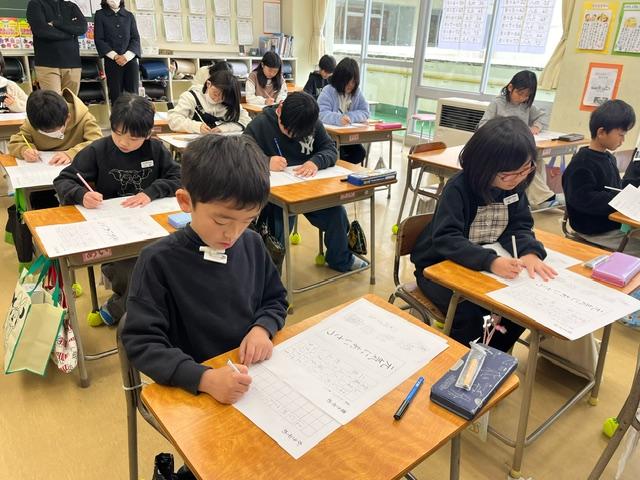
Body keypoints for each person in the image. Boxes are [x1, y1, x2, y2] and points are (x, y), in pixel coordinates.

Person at [122, 134, 287, 404]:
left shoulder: (252, 243)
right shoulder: (157, 262)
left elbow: (275, 298)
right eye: (221, 220)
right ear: (185, 201)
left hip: (249, 376)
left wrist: (262, 328)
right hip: (192, 386)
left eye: (247, 220)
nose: (233, 233)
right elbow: (143, 343)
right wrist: (204, 378)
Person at [411, 117, 557, 352]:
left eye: (525, 170)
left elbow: (518, 226)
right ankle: (462, 359)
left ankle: (489, 355)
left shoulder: (515, 187)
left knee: (517, 314)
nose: (518, 179)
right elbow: (446, 238)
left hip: (481, 269)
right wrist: (490, 261)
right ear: (483, 166)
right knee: (469, 316)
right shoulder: (458, 189)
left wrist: (529, 252)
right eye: (508, 174)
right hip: (438, 267)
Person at [54, 94, 181, 326]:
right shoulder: (98, 150)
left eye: (133, 138)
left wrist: (151, 192)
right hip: (114, 232)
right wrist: (82, 195)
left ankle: (124, 307)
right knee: (137, 265)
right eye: (117, 133)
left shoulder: (155, 150)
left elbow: (178, 177)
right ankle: (124, 309)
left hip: (152, 226)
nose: (123, 142)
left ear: (148, 133)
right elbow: (63, 180)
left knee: (169, 260)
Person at [244, 91, 367, 272]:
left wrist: (315, 162)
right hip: (278, 195)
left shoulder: (311, 121)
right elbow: (242, 154)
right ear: (280, 110)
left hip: (309, 189)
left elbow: (330, 149)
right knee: (278, 223)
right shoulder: (260, 125)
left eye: (298, 135)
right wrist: (265, 161)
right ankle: (270, 274)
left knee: (337, 214)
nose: (292, 137)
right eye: (288, 131)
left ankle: (340, 259)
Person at [562, 99, 640, 255]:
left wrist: (628, 194)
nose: (623, 140)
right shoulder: (581, 163)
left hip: (610, 223)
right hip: (594, 229)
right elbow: (583, 199)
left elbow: (614, 187)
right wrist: (619, 200)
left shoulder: (609, 157)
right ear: (601, 132)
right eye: (621, 135)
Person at [478, 70, 558, 209]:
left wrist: (536, 127)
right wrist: (502, 131)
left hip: (519, 146)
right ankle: (544, 197)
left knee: (538, 159)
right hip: (500, 147)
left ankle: (537, 198)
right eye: (520, 94)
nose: (523, 98)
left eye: (527, 95)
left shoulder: (526, 106)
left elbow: (541, 117)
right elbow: (482, 125)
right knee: (526, 163)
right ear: (510, 87)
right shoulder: (497, 103)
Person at [8, 88, 102, 165]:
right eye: (44, 132)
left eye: (56, 130)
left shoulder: (84, 117)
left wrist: (72, 154)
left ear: (68, 118)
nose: (51, 135)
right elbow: (15, 143)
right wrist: (24, 150)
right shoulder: (34, 120)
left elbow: (98, 143)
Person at [26, 0, 87, 95]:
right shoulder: (36, 4)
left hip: (73, 64)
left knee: (71, 101)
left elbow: (82, 28)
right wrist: (70, 34)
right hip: (48, 64)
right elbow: (42, 30)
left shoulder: (71, 6)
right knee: (53, 101)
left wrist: (56, 24)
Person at [318, 57, 370, 164]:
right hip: (330, 137)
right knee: (337, 154)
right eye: (347, 82)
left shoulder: (357, 93)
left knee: (359, 153)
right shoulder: (328, 91)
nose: (350, 85)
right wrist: (338, 118)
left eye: (353, 82)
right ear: (340, 79)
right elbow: (321, 113)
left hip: (349, 136)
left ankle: (345, 171)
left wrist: (350, 117)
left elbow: (365, 111)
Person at [168, 70, 250, 134]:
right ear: (208, 84)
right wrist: (196, 127)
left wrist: (225, 128)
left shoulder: (230, 101)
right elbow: (174, 120)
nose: (217, 99)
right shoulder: (191, 97)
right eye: (215, 94)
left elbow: (247, 121)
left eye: (223, 98)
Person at [94, 0, 141, 104]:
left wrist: (126, 56)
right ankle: (117, 115)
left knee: (134, 96)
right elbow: (99, 39)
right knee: (116, 96)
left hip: (130, 60)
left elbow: (135, 39)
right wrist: (115, 56)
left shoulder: (129, 16)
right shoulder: (100, 15)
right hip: (112, 61)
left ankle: (135, 115)